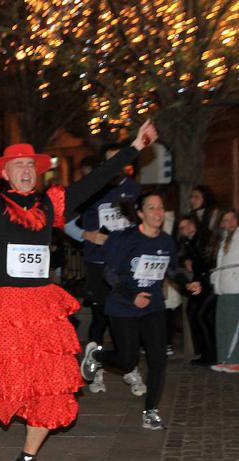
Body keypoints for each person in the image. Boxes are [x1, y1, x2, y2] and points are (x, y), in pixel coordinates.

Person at [0, 112, 159, 461]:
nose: (25, 171)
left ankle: (26, 460)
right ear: (4, 173)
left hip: (43, 306)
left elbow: (96, 180)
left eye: (30, 166)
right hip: (7, 305)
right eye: (17, 166)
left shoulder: (51, 204)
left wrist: (135, 147)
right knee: (9, 379)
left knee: (53, 384)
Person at [81, 192, 201, 429]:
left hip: (153, 306)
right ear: (140, 213)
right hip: (123, 306)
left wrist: (187, 283)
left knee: (158, 361)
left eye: (160, 207)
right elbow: (110, 274)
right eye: (151, 207)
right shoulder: (124, 238)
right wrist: (132, 296)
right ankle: (97, 356)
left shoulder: (166, 241)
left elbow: (173, 270)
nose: (157, 212)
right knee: (127, 361)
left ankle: (150, 411)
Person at [63, 146, 142, 392]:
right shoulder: (90, 190)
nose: (116, 165)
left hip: (126, 264)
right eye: (111, 161)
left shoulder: (134, 189)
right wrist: (86, 234)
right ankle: (95, 367)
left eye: (121, 160)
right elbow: (63, 221)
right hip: (98, 262)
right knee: (101, 315)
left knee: (126, 316)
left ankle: (129, 366)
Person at [177, 215, 218, 367]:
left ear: (194, 223)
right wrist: (185, 259)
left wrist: (190, 257)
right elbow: (180, 258)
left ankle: (211, 355)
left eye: (188, 224)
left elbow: (207, 260)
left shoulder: (205, 236)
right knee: (192, 313)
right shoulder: (187, 241)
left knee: (201, 315)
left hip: (210, 280)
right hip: (199, 281)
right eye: (182, 227)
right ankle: (203, 352)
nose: (186, 229)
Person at [211, 210, 239, 373]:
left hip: (235, 287)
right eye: (225, 220)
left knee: (234, 324)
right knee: (222, 324)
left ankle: (235, 359)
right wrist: (216, 280)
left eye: (232, 219)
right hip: (223, 287)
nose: (228, 222)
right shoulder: (223, 239)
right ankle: (223, 358)